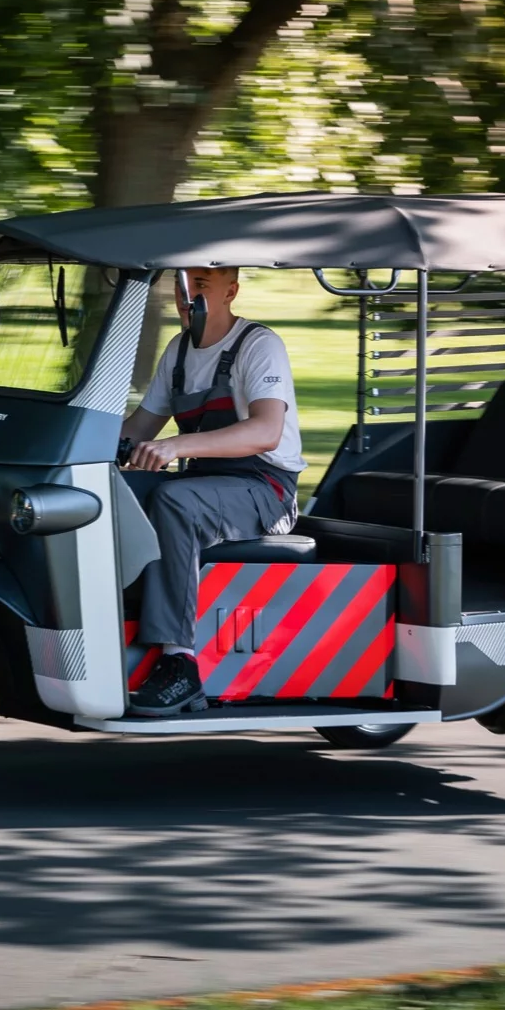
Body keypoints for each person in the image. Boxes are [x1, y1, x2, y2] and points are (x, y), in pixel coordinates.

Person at [120, 265, 304, 715]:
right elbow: (137, 429)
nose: (187, 296)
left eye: (200, 285)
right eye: (181, 286)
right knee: (111, 489)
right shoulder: (179, 350)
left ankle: (178, 664)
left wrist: (176, 445)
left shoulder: (259, 346)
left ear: (231, 291)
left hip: (265, 489)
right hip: (205, 484)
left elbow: (265, 431)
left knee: (173, 499)